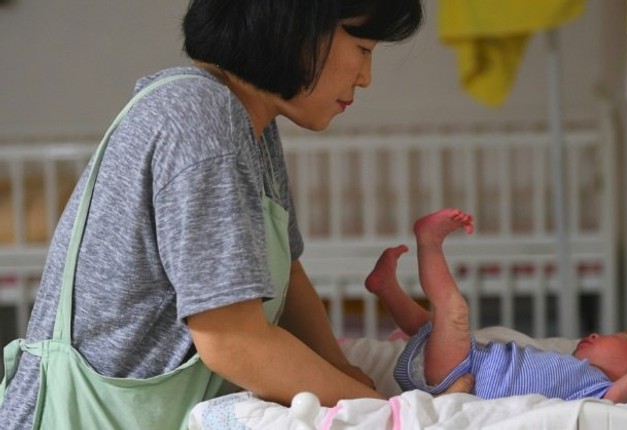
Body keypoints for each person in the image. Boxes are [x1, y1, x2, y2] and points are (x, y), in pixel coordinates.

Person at [0, 1, 473, 429]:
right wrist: (398, 416)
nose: (366, 76)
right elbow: (232, 341)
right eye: (363, 48)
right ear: (294, 28)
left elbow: (288, 276)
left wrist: (347, 377)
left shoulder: (251, 124)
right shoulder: (201, 118)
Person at [365, 208, 627, 403]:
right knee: (432, 324)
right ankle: (388, 289)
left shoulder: (600, 397)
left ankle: (430, 242)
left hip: (463, 374)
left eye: (619, 338)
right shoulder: (582, 377)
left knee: (453, 313)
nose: (595, 334)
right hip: (469, 364)